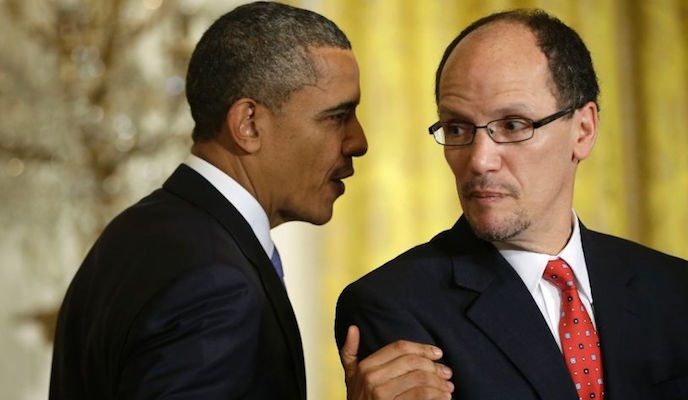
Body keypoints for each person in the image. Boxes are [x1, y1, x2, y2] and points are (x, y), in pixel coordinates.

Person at [50, 2, 454, 399]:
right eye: (337, 116)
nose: (359, 142)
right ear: (248, 124)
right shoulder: (214, 284)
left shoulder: (137, 233)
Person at [335, 9, 688, 400]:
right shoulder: (393, 306)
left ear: (583, 130)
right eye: (457, 128)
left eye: (512, 125)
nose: (478, 160)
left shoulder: (680, 293)